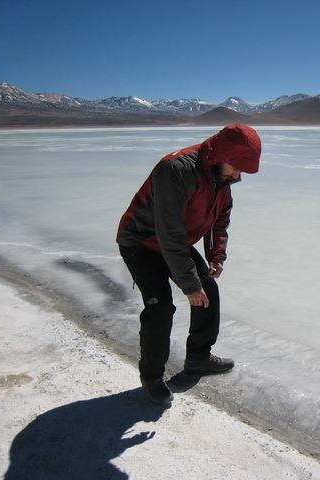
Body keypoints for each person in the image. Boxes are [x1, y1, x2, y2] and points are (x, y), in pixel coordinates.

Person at [116, 124, 261, 406]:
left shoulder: (221, 177)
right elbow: (167, 231)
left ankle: (199, 358)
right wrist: (189, 285)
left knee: (209, 290)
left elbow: (220, 220)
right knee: (160, 308)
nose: (238, 175)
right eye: (237, 167)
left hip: (174, 242)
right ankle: (152, 377)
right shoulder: (177, 170)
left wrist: (216, 256)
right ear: (222, 154)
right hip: (142, 242)